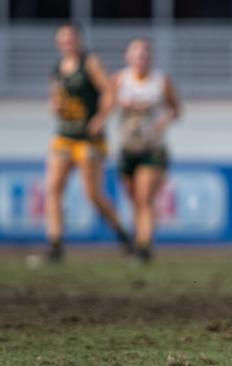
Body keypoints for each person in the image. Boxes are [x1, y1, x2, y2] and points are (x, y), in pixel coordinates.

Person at [46, 22, 132, 261]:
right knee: (52, 189)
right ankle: (55, 245)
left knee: (92, 193)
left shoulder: (89, 63)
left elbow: (109, 91)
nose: (67, 42)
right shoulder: (57, 69)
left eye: (71, 37)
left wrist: (100, 118)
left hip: (89, 139)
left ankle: (123, 235)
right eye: (63, 38)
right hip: (64, 135)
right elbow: (56, 99)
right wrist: (55, 105)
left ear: (79, 39)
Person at [112, 38, 181, 263]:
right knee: (133, 198)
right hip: (127, 147)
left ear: (150, 58)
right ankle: (139, 237)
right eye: (136, 54)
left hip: (153, 148)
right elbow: (106, 106)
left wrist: (161, 124)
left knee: (144, 197)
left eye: (144, 54)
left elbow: (176, 110)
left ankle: (144, 247)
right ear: (128, 57)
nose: (141, 59)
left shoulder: (161, 81)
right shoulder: (119, 80)